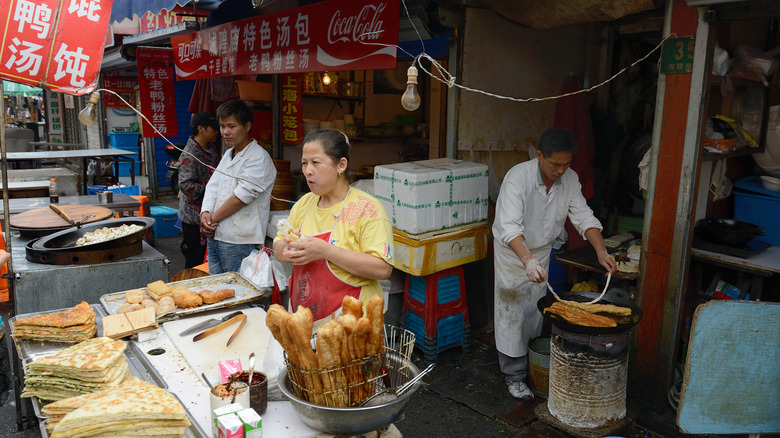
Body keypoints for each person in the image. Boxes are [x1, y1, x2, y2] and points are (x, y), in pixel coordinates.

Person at [492, 128, 616, 402]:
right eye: (555, 164)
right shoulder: (518, 178)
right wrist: (527, 260)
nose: (562, 171)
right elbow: (510, 228)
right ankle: (513, 376)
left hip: (542, 251)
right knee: (511, 314)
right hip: (514, 254)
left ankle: (531, 362)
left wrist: (601, 251)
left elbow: (584, 217)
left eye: (567, 164)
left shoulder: (570, 180)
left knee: (534, 313)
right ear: (539, 156)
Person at [273, 129, 393, 328]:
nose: (308, 170)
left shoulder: (367, 208)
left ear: (341, 165)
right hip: (304, 318)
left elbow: (382, 268)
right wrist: (284, 250)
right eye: (304, 163)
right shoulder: (304, 204)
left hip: (353, 324)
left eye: (316, 163)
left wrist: (326, 251)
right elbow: (279, 243)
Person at [200, 99, 276, 274]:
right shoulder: (229, 154)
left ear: (247, 126)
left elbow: (240, 198)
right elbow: (213, 186)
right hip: (217, 235)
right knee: (217, 290)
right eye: (222, 126)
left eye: (232, 126)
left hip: (239, 240)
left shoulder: (259, 157)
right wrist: (205, 213)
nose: (225, 132)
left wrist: (212, 219)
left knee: (237, 293)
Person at [178, 112, 220, 268]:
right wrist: (210, 190)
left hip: (209, 213)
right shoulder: (189, 154)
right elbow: (186, 185)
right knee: (195, 259)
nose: (218, 132)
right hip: (193, 218)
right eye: (214, 128)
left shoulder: (211, 149)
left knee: (207, 258)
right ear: (201, 129)